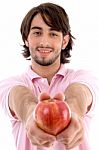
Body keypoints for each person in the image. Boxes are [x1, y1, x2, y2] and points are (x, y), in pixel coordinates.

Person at [0, 2, 98, 150]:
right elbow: (19, 98)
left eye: (53, 34)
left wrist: (73, 112)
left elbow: (80, 94)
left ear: (64, 41)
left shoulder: (84, 78)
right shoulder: (9, 84)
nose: (44, 42)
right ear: (26, 38)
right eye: (37, 33)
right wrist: (30, 115)